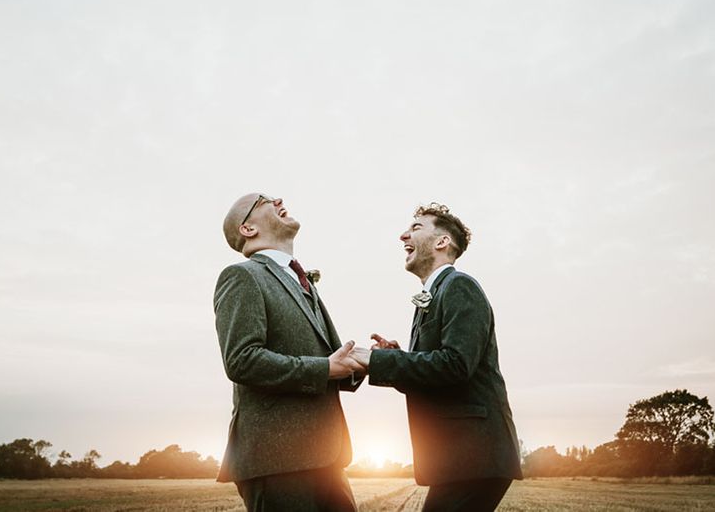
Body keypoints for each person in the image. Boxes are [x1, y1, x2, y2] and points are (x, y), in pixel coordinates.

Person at [353, 203, 523, 512]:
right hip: (459, 456)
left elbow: (456, 365)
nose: (403, 234)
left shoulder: (460, 286)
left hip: (474, 454)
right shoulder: (433, 297)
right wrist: (397, 359)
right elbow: (435, 373)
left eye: (416, 228)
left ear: (442, 242)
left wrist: (374, 361)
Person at [215, 193, 363, 511]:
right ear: (248, 229)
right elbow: (242, 360)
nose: (279, 199)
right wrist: (323, 369)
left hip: (327, 456)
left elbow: (324, 359)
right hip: (277, 459)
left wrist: (361, 362)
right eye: (265, 200)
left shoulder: (302, 281)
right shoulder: (242, 276)